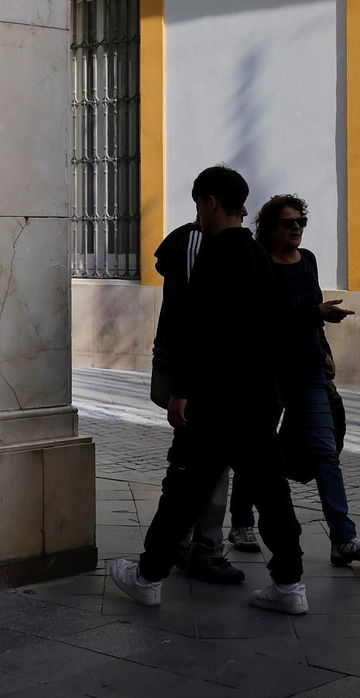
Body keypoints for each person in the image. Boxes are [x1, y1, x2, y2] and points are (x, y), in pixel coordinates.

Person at [109, 165, 310, 614]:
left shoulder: (214, 255)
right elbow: (274, 328)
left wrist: (182, 391)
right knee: (271, 492)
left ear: (211, 203)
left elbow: (199, 331)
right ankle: (290, 584)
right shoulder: (258, 255)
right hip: (258, 398)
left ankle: (148, 576)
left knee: (183, 490)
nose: (198, 214)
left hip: (216, 401)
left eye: (199, 205)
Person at [255, 195, 360, 566]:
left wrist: (324, 349)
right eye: (288, 222)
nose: (296, 228)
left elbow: (314, 315)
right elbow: (269, 326)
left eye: (301, 221)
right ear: (271, 228)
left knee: (326, 452)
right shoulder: (261, 264)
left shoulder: (307, 259)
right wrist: (317, 314)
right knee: (259, 451)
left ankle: (343, 538)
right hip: (272, 373)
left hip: (310, 371)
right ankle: (243, 521)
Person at [151, 215, 243, 584]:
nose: (243, 213)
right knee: (195, 464)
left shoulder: (229, 246)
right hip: (199, 379)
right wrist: (183, 389)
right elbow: (193, 320)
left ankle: (188, 545)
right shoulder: (196, 241)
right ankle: (195, 547)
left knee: (204, 464)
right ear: (209, 203)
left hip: (214, 378)